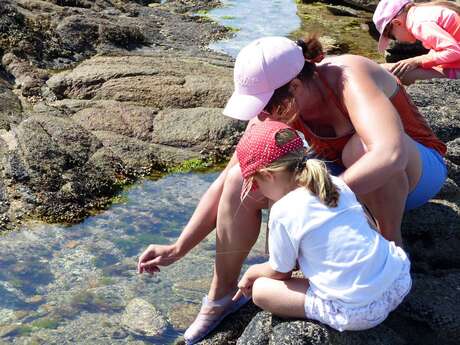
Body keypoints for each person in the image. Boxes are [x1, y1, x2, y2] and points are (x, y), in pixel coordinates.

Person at [138, 36, 446, 344]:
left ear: (295, 86)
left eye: (267, 104)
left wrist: (317, 199)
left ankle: (390, 246)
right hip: (345, 183)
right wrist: (178, 248)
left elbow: (390, 154)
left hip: (415, 172)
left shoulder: (349, 76)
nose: (263, 114)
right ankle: (220, 297)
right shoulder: (276, 107)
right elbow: (227, 179)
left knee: (359, 150)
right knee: (242, 179)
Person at [232, 119, 412, 331]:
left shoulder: (282, 211)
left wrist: (252, 272)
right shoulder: (334, 183)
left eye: (255, 183)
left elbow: (280, 272)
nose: (257, 190)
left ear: (268, 176)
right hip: (398, 282)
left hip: (357, 312)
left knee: (261, 290)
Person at [373, 0, 460, 84]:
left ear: (397, 23)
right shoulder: (422, 13)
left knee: (381, 71)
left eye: (393, 37)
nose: (397, 40)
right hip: (454, 65)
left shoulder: (419, 24)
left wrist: (417, 60)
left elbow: (454, 51)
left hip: (456, 70)